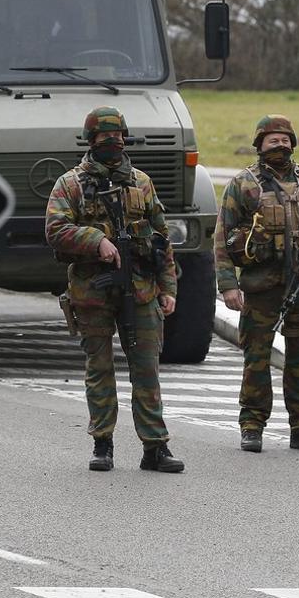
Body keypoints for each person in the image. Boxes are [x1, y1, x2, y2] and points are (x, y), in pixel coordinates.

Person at [45, 106, 184, 473]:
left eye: (119, 136)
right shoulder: (70, 184)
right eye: (106, 137)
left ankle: (155, 447)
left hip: (140, 290)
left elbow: (162, 239)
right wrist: (95, 241)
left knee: (147, 369)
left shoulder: (141, 182)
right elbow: (55, 229)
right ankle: (102, 443)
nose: (114, 142)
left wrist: (168, 286)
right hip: (93, 290)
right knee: (100, 368)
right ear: (91, 141)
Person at [213, 114, 299, 453]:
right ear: (259, 144)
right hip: (261, 287)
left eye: (285, 139)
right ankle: (252, 426)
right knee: (256, 357)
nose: (280, 144)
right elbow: (222, 236)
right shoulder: (243, 185)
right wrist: (228, 285)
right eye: (273, 139)